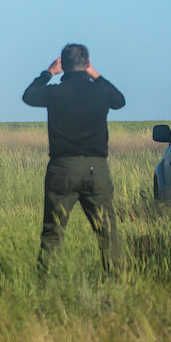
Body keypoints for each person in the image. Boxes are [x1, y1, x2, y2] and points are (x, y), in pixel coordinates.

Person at [22, 43, 126, 274]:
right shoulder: (100, 91)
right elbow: (119, 100)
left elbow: (28, 96)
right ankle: (116, 281)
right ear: (87, 63)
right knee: (107, 231)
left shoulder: (55, 92)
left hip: (62, 168)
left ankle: (47, 285)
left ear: (63, 66)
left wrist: (48, 73)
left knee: (53, 232)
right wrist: (95, 74)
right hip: (95, 168)